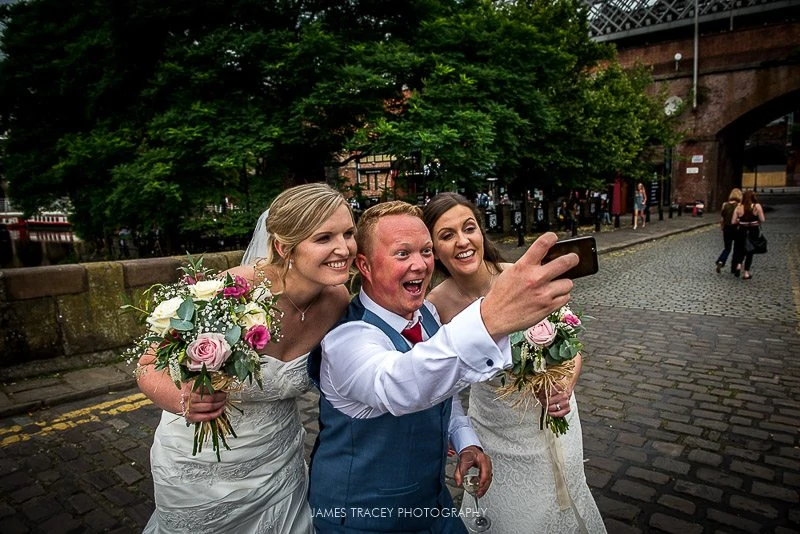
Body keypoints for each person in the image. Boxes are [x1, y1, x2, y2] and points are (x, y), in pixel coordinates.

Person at [308, 201, 578, 533]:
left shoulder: (427, 316)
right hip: (361, 517)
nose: (420, 265)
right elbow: (403, 385)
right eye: (402, 254)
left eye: (425, 251)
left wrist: (464, 439)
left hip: (433, 505)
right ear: (364, 265)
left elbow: (440, 388)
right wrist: (490, 317)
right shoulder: (347, 340)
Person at [137, 183, 357, 533]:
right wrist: (183, 400)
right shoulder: (233, 291)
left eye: (348, 233)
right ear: (285, 248)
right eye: (324, 238)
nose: (343, 248)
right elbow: (146, 365)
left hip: (279, 463)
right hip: (200, 467)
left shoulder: (337, 301)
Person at [423, 193, 606, 533]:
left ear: (482, 232)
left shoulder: (521, 279)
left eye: (469, 228)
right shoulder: (435, 307)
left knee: (566, 497)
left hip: (555, 415)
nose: (463, 241)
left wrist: (564, 387)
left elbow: (572, 348)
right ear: (432, 248)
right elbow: (437, 384)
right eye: (447, 235)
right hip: (496, 432)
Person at [731, 189, 765, 280]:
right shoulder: (756, 206)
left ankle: (738, 265)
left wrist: (740, 220)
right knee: (750, 251)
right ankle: (746, 273)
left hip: (742, 230)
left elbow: (733, 221)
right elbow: (762, 219)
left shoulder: (738, 207)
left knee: (740, 249)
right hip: (753, 230)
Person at [715, 188, 743, 274]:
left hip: (727, 228)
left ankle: (721, 261)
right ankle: (734, 268)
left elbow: (722, 218)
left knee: (727, 248)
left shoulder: (724, 205)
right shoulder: (740, 205)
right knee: (737, 249)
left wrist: (722, 227)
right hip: (737, 229)